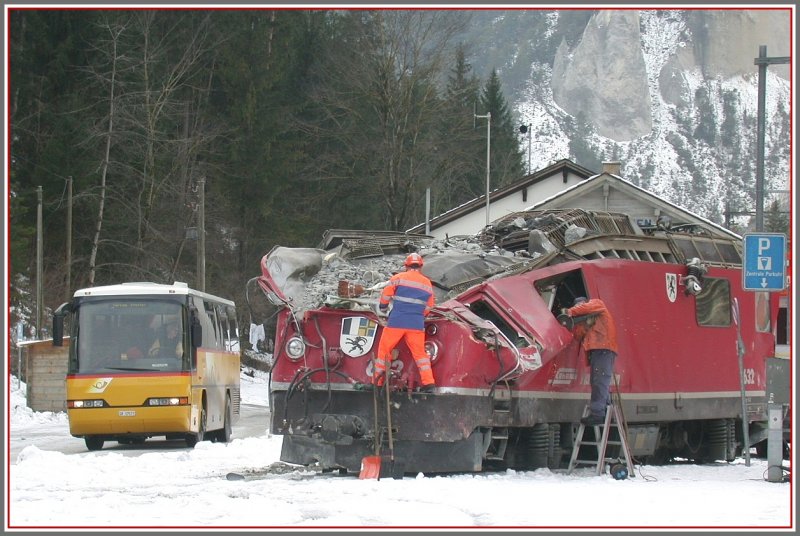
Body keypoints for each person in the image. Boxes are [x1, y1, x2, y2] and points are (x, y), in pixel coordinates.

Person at [373, 252, 436, 393]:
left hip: (397, 321)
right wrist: (419, 315)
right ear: (420, 266)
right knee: (420, 355)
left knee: (384, 351)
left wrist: (383, 307)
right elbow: (429, 306)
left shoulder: (398, 278)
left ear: (406, 265)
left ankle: (377, 383)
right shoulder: (427, 283)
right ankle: (429, 384)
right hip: (416, 324)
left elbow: (386, 295)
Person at [566, 296, 618, 425]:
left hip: (604, 348)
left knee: (599, 381)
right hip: (598, 350)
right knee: (597, 381)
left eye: (580, 306)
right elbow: (578, 335)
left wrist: (568, 312)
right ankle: (605, 409)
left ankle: (598, 413)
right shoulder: (585, 321)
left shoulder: (596, 303)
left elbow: (585, 308)